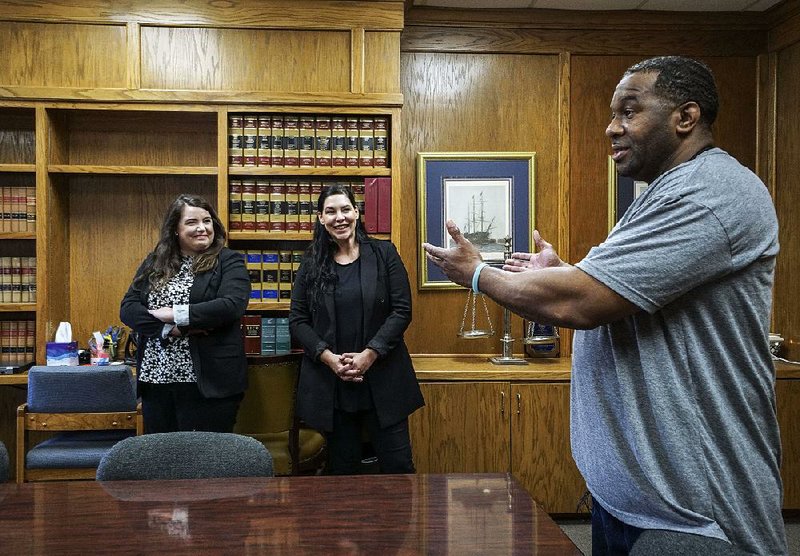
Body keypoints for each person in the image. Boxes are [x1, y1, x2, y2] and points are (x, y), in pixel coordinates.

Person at [423, 56, 787, 555]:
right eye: (613, 114)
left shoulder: (708, 194)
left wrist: (477, 273)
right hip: (636, 497)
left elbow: (584, 304)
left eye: (630, 111)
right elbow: (620, 297)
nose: (612, 128)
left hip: (693, 513)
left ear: (686, 117)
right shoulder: (664, 192)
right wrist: (564, 272)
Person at [289, 183, 424, 475]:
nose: (340, 217)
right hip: (334, 384)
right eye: (331, 211)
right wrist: (329, 359)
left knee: (398, 467)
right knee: (343, 473)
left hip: (384, 379)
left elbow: (402, 310)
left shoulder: (384, 253)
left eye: (345, 209)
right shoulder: (311, 262)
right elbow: (298, 320)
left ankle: (400, 523)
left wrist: (369, 355)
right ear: (320, 219)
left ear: (357, 212)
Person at [121, 194, 250, 433]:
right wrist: (168, 329)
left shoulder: (228, 261)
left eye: (207, 221)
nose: (202, 228)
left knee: (204, 461)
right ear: (175, 230)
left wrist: (174, 313)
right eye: (192, 222)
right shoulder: (154, 262)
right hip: (156, 379)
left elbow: (231, 305)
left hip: (208, 383)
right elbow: (128, 308)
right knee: (162, 460)